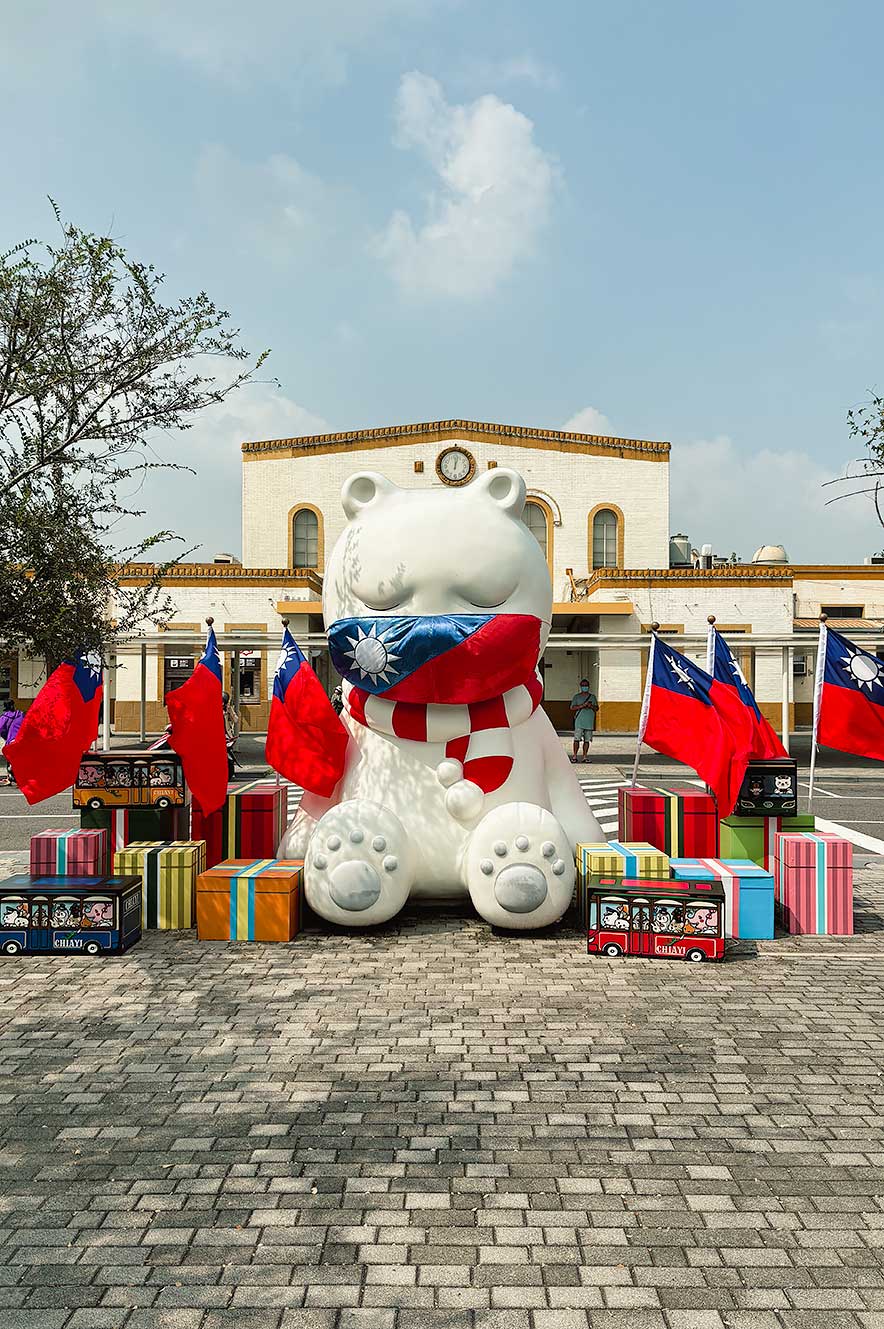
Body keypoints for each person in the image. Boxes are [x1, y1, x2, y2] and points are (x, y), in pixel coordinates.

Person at [569, 677, 598, 763]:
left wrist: (591, 706)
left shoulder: (592, 697)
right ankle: (574, 756)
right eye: (583, 686)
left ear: (589, 686)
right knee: (576, 739)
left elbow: (596, 708)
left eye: (586, 686)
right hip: (579, 722)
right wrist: (582, 705)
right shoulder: (576, 697)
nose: (585, 687)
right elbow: (572, 707)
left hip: (589, 722)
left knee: (587, 740)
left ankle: (585, 756)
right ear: (580, 686)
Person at [0, 700, 24, 785]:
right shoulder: (20, 714)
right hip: (20, 739)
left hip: (11, 740)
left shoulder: (5, 717)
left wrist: (6, 736)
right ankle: (15, 777)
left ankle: (10, 778)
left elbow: (1, 729)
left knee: (10, 759)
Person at [222, 691, 239, 780]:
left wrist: (230, 711)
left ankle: (230, 773)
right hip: (216, 737)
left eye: (223, 702)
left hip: (227, 737)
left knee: (228, 755)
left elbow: (236, 720)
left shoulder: (227, 710)